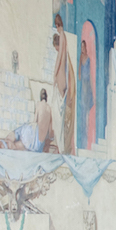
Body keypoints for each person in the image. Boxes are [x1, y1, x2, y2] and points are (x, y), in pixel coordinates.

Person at [52, 13, 75, 154]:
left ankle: (60, 145)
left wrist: (54, 73)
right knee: (60, 112)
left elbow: (60, 56)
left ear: (57, 25)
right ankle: (60, 144)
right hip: (64, 78)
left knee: (58, 112)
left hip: (61, 77)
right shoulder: (64, 37)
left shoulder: (62, 36)